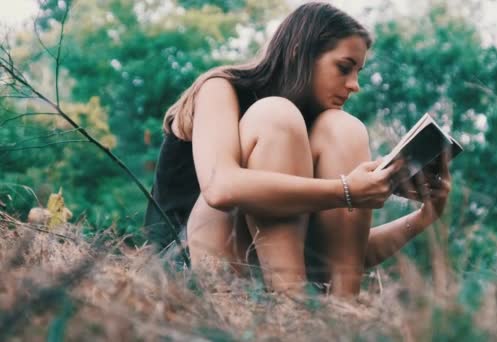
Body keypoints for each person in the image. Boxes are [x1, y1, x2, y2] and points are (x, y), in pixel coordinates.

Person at [144, 1, 452, 297]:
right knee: (276, 115)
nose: (355, 84)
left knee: (344, 128)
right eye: (344, 68)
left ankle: (341, 316)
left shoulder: (320, 132)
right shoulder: (222, 88)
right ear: (298, 54)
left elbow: (340, 250)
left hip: (265, 272)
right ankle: (293, 307)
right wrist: (346, 191)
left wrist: (425, 217)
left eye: (358, 72)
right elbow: (220, 188)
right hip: (189, 263)